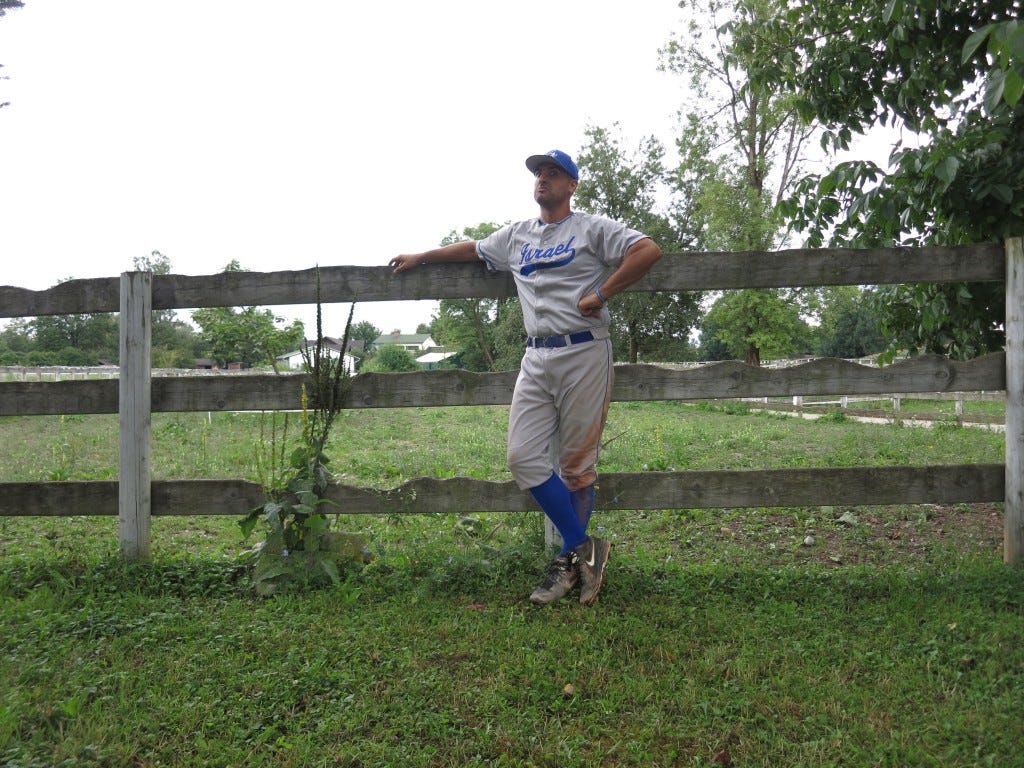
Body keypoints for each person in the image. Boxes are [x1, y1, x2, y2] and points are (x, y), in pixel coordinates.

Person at [390, 149, 662, 606]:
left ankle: (566, 567)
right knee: (522, 458)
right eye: (539, 173)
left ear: (572, 185)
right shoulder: (518, 235)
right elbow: (473, 249)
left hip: (584, 352)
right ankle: (586, 547)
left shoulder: (590, 228)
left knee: (577, 468)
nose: (543, 179)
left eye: (553, 173)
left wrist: (601, 292)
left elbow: (647, 250)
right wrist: (422, 256)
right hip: (536, 358)